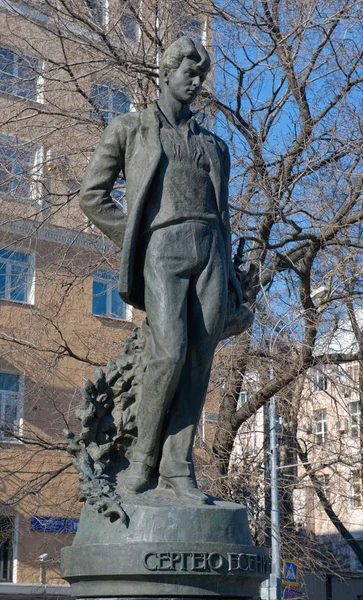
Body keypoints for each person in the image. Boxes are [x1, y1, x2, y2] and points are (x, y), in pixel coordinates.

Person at [79, 37, 242, 504]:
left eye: (201, 76)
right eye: (188, 73)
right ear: (165, 74)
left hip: (210, 249)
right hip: (163, 247)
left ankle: (179, 466)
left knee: (198, 360)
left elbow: (223, 213)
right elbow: (93, 196)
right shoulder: (130, 128)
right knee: (169, 352)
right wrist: (137, 238)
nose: (195, 82)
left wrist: (229, 274)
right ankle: (144, 461)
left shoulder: (214, 146)